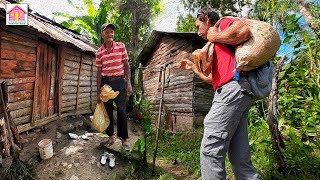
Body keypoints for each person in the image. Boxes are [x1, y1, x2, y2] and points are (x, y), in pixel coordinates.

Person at [180, 7, 259, 180]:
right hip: (237, 92)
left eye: (198, 25)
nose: (198, 31)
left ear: (206, 19)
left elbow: (244, 31)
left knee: (210, 149)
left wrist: (213, 35)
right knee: (239, 158)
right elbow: (211, 79)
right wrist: (193, 67)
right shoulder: (215, 47)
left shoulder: (222, 24)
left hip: (231, 91)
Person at [95, 23, 132, 149]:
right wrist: (98, 91)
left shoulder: (121, 46)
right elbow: (99, 72)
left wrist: (128, 83)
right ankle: (110, 137)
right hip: (106, 84)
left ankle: (124, 139)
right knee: (108, 111)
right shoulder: (99, 52)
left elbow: (127, 66)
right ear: (102, 34)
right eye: (107, 32)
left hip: (119, 82)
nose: (110, 34)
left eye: (112, 32)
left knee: (122, 111)